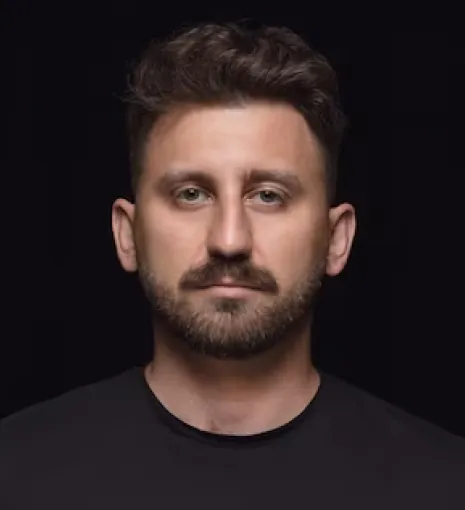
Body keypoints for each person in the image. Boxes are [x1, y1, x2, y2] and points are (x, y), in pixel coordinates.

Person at [1, 21, 464, 510]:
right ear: (127, 234)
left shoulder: (445, 486)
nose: (229, 241)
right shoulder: (14, 473)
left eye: (268, 196)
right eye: (191, 194)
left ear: (336, 238)